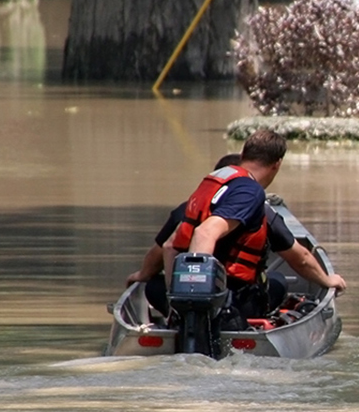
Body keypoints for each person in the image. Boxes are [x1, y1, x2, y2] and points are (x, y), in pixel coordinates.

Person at [128, 131, 346, 319]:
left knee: (153, 287)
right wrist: (327, 280)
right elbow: (302, 259)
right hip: (231, 301)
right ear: (277, 164)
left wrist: (145, 277)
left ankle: (179, 313)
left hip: (188, 296)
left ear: (243, 156)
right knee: (278, 280)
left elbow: (166, 247)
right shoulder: (252, 195)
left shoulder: (206, 192)